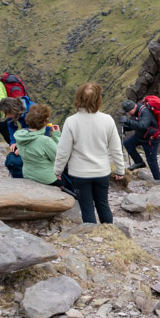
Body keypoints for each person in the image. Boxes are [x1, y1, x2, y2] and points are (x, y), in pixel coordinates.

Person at [53, 83, 125, 224]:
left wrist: (58, 170)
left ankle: (91, 235)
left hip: (79, 173)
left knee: (87, 207)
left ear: (78, 98)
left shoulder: (71, 122)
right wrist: (120, 170)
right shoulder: (107, 120)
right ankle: (108, 234)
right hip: (101, 172)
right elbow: (116, 148)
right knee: (103, 204)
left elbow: (63, 150)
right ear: (98, 99)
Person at [14, 104, 62, 186]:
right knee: (69, 183)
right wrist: (56, 135)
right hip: (46, 179)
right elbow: (58, 157)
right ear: (45, 122)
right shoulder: (45, 141)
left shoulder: (20, 137)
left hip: (28, 175)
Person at [119, 99, 160, 180]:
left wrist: (128, 121)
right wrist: (127, 127)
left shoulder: (145, 112)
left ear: (133, 108)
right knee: (128, 144)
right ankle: (139, 162)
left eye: (128, 112)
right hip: (141, 136)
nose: (128, 114)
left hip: (151, 139)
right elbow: (137, 125)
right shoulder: (137, 111)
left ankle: (158, 179)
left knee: (151, 160)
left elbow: (143, 125)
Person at [0, 97, 32, 178]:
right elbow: (11, 127)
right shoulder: (16, 112)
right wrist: (13, 142)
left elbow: (38, 132)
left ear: (11, 109)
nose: (6, 116)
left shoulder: (31, 111)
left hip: (39, 137)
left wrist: (23, 148)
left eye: (6, 113)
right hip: (27, 136)